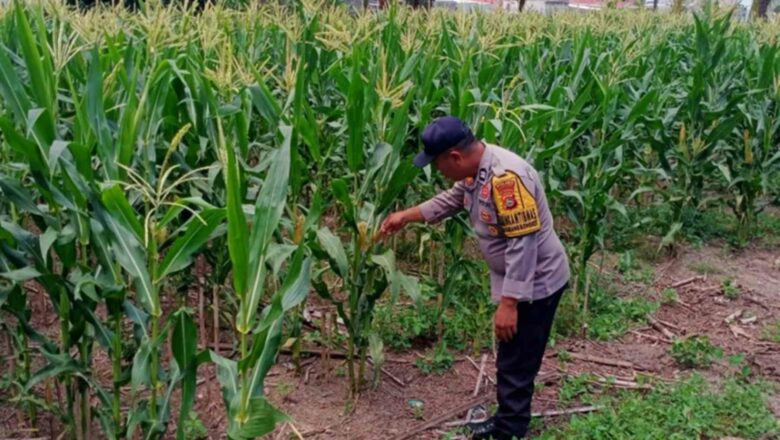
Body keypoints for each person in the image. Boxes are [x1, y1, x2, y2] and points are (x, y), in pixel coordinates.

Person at [380, 116, 570, 440]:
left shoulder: (506, 178)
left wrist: (509, 303)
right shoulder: (476, 169)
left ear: (455, 156)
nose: (440, 172)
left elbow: (522, 245)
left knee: (516, 360)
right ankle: (508, 420)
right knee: (513, 356)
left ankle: (509, 431)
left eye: (439, 165)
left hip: (536, 283)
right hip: (521, 280)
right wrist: (406, 217)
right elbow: (452, 199)